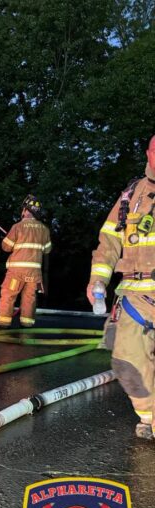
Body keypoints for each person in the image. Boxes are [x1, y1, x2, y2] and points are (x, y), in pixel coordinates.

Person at [87, 134, 155, 440]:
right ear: (148, 154)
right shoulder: (132, 194)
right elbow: (109, 241)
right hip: (134, 294)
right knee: (126, 362)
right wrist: (97, 279)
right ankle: (150, 416)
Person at [0, 195, 52, 328]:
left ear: (26, 210)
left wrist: (11, 239)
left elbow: (6, 247)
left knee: (9, 294)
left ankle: (3, 322)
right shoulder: (45, 230)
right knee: (29, 298)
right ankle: (27, 323)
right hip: (34, 274)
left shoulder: (17, 227)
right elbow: (47, 250)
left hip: (17, 273)